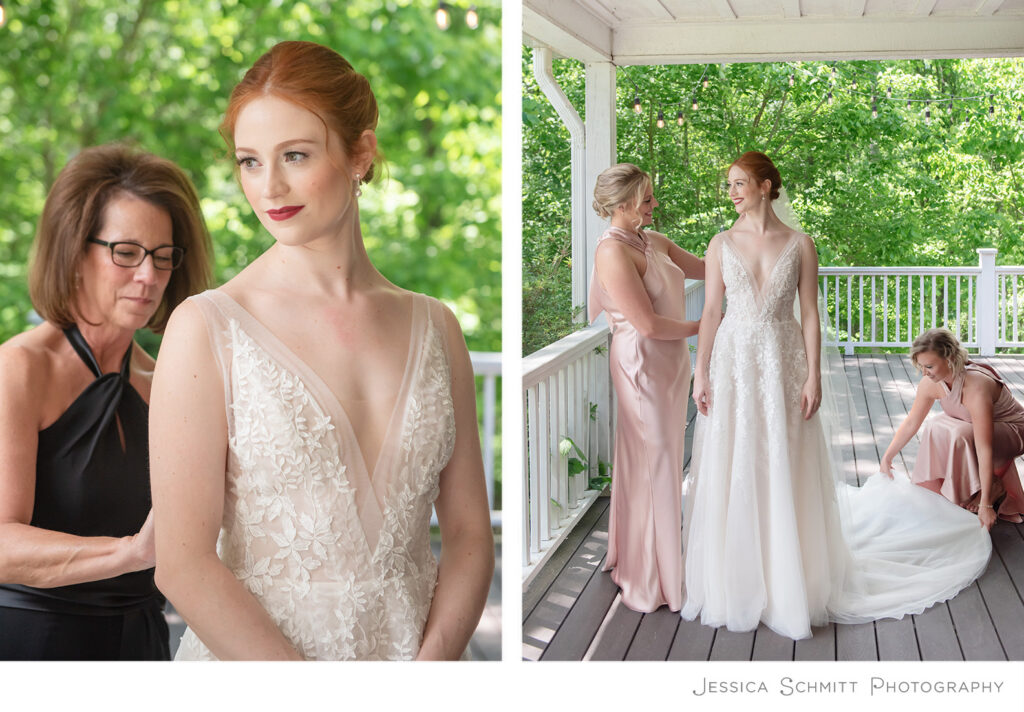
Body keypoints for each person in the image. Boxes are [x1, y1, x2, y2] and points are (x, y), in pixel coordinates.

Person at [150, 41, 494, 661]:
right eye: (249, 162)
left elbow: (469, 533)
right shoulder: (205, 329)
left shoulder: (436, 327)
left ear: (360, 152)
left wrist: (433, 665)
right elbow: (183, 565)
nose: (270, 186)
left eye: (296, 156)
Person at [681, 151, 990, 640]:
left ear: (766, 186)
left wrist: (814, 377)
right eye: (730, 186)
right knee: (735, 458)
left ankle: (791, 579)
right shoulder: (719, 243)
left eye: (741, 183)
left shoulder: (801, 244)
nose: (733, 192)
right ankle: (735, 580)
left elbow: (808, 314)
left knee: (784, 458)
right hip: (734, 363)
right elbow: (712, 313)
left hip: (784, 362)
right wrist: (701, 374)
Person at [0, 143, 212, 660]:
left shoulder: (168, 383)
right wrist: (131, 553)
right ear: (75, 249)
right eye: (126, 252)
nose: (149, 276)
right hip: (31, 645)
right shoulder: (19, 370)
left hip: (144, 642)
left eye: (163, 257)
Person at [587, 163, 703, 613]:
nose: (655, 204)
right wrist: (708, 326)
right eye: (647, 199)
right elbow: (649, 324)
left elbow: (708, 267)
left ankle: (651, 552)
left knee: (665, 460)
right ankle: (652, 574)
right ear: (622, 206)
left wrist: (752, 243)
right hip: (642, 364)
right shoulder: (612, 253)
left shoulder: (652, 241)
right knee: (654, 463)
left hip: (672, 363)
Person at [881, 328, 1024, 529]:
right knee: (936, 424)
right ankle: (955, 491)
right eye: (920, 366)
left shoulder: (975, 386)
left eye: (929, 366)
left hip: (1014, 430)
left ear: (949, 359)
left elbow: (984, 446)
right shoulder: (930, 383)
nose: (924, 372)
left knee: (961, 434)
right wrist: (888, 457)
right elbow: (913, 421)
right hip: (978, 428)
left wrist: (986, 504)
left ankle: (990, 488)